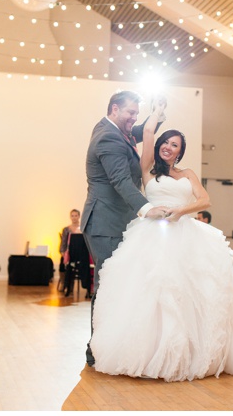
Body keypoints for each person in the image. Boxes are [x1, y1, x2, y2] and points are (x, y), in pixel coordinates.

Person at [89, 101, 233, 382]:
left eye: (174, 144)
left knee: (188, 291)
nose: (168, 147)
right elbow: (150, 131)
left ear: (180, 151)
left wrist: (181, 211)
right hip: (150, 233)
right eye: (166, 142)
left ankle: (188, 351)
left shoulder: (188, 174)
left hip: (184, 233)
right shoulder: (148, 169)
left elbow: (205, 200)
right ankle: (147, 350)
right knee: (151, 290)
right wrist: (156, 112)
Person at [81, 90, 168, 367]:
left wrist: (157, 114)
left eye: (136, 113)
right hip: (104, 222)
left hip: (116, 221)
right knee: (107, 285)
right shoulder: (108, 137)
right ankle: (96, 350)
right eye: (130, 112)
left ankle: (111, 343)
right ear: (115, 109)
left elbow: (139, 131)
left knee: (118, 284)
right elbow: (120, 181)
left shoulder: (114, 127)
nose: (134, 119)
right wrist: (147, 208)